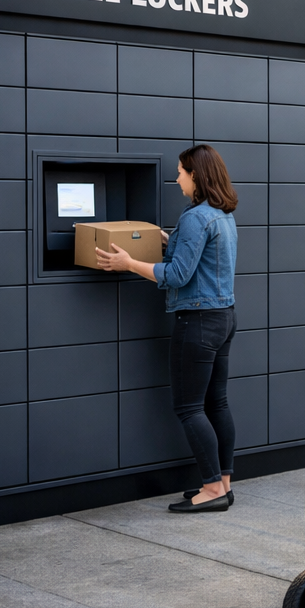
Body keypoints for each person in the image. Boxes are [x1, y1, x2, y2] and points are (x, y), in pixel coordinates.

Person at [97, 145, 240, 514]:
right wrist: (167, 239)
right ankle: (223, 483)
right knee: (217, 403)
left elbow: (177, 274)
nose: (177, 179)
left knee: (189, 407)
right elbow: (200, 256)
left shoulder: (196, 217)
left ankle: (211, 489)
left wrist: (128, 263)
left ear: (196, 175)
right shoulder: (222, 215)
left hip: (198, 321)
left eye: (180, 172)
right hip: (224, 317)